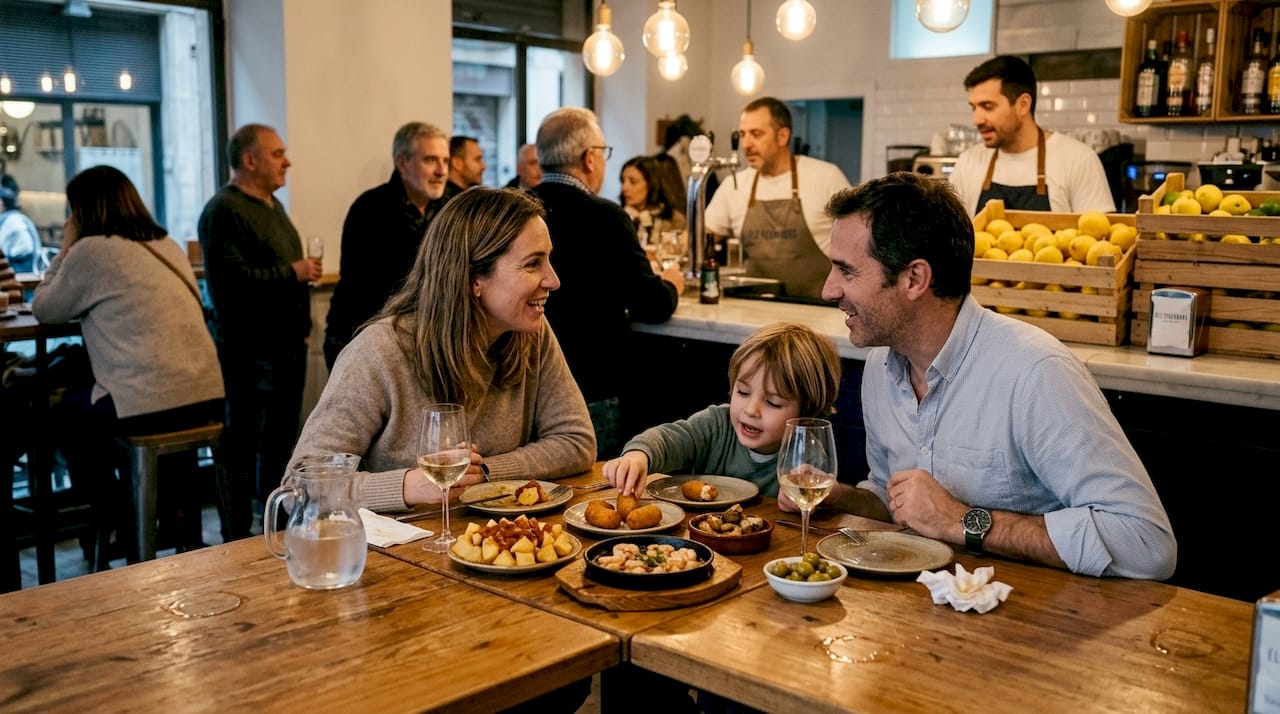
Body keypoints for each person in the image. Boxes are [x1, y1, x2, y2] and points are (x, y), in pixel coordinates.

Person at [809, 172, 1176, 580]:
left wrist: (963, 521)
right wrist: (841, 499)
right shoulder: (881, 364)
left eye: (847, 271)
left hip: (1037, 624)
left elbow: (1148, 545)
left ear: (914, 279)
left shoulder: (1036, 373)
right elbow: (900, 501)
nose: (828, 290)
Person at [290, 187, 594, 513]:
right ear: (473, 278)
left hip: (491, 542)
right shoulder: (379, 352)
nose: (554, 280)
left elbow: (576, 441)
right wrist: (407, 486)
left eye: (549, 260)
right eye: (533, 264)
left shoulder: (531, 334)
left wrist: (486, 474)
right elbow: (300, 488)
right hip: (393, 555)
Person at [32, 165, 224, 561]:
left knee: (62, 417)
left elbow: (45, 308)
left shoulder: (91, 251)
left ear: (83, 211)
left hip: (149, 408)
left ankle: (118, 518)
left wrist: (66, 248)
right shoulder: (165, 244)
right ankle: (170, 523)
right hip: (206, 398)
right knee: (97, 405)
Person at [530, 107, 684, 459]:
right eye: (603, 153)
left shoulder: (516, 209)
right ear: (589, 158)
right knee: (596, 484)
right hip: (593, 381)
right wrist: (672, 283)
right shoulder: (605, 216)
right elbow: (652, 303)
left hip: (528, 380)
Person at [198, 123, 321, 541]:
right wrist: (294, 272)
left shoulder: (273, 206)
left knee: (282, 446)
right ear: (249, 160)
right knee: (243, 446)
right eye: (277, 153)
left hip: (287, 349)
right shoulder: (224, 211)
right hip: (249, 352)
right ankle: (236, 538)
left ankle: (278, 530)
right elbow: (231, 286)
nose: (287, 161)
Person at [604, 321, 841, 498]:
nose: (751, 410)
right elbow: (668, 440)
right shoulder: (717, 424)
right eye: (743, 392)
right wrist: (639, 455)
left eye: (772, 403)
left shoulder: (807, 455)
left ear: (806, 411)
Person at [324, 121, 451, 370]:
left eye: (445, 161)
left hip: (431, 339)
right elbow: (362, 288)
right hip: (369, 337)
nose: (441, 171)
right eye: (430, 160)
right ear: (403, 163)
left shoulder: (454, 206)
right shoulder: (370, 209)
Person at [704, 97, 851, 301]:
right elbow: (705, 234)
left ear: (783, 136)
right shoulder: (734, 184)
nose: (746, 144)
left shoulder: (825, 177)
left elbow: (860, 244)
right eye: (743, 134)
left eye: (756, 134)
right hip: (754, 306)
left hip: (816, 308)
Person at [950, 55, 1115, 215]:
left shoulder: (1078, 160)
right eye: (974, 108)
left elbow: (1101, 236)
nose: (976, 120)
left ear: (1023, 104)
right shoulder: (968, 163)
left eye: (988, 106)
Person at [619, 155, 687, 247]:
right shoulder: (617, 217)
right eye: (623, 181)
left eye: (633, 182)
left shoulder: (675, 220)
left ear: (652, 184)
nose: (624, 188)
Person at [0, 174, 47, 274]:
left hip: (21, 284)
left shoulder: (13, 221)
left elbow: (24, 248)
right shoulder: (6, 220)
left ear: (2, 202)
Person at [444, 135, 486, 201]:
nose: (484, 166)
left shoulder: (467, 197)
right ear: (457, 164)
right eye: (477, 159)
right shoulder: (450, 202)